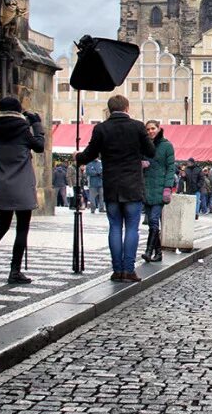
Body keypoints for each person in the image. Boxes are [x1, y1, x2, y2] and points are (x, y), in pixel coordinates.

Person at [75, 95, 155, 282]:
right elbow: (151, 152)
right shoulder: (137, 127)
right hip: (133, 186)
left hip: (111, 185)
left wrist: (78, 156)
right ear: (127, 108)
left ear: (110, 109)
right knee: (132, 229)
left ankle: (117, 270)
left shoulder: (101, 128)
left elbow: (89, 154)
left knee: (115, 227)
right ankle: (129, 269)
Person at [0, 97, 45, 283]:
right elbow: (39, 146)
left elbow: (12, 128)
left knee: (1, 227)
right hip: (22, 185)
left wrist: (25, 122)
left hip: (4, 184)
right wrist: (36, 125)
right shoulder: (23, 131)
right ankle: (14, 271)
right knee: (22, 229)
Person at [141, 121, 176, 264]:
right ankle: (159, 252)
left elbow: (171, 168)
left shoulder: (167, 146)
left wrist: (168, 187)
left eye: (153, 128)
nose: (150, 131)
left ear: (158, 128)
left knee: (154, 219)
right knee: (151, 222)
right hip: (146, 189)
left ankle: (148, 251)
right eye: (148, 129)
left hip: (160, 189)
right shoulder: (143, 145)